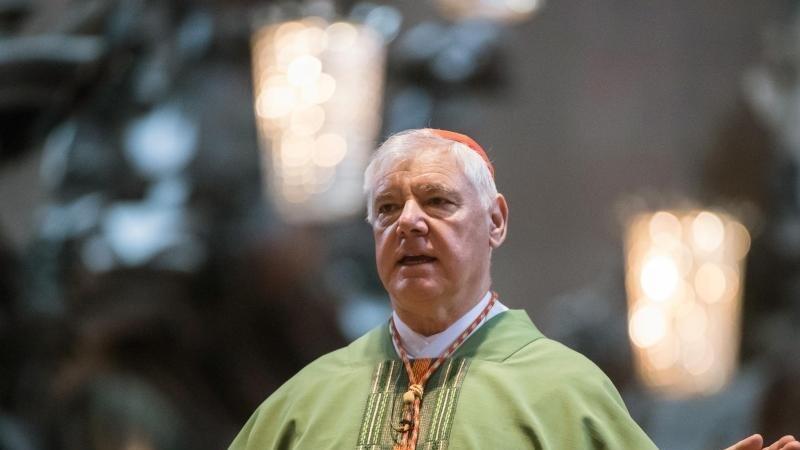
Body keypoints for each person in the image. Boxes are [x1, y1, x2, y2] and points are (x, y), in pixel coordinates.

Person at [229, 129, 799, 450]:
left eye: (437, 201)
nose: (409, 222)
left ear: (495, 220)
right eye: (387, 208)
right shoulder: (303, 403)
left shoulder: (566, 393)